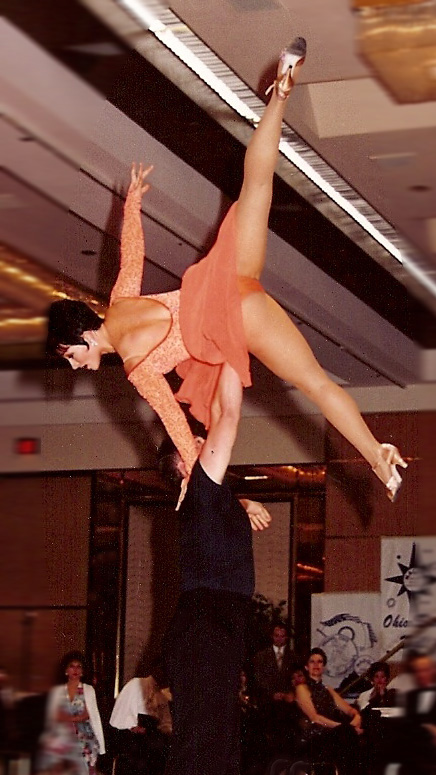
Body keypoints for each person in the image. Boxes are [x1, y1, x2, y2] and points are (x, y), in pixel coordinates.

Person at [46, 39, 406, 501]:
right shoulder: (121, 300)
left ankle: (377, 455)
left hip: (237, 318)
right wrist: (131, 202)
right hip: (228, 276)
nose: (80, 367)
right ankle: (280, 94)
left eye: (72, 356)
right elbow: (131, 251)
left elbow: (178, 428)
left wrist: (201, 491)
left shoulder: (137, 369)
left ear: (82, 336)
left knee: (315, 384)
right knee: (257, 182)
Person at [160, 361, 271, 775]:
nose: (206, 443)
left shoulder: (216, 497)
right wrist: (231, 346)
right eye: (195, 443)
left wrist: (243, 502)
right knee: (198, 758)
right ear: (184, 462)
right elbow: (229, 411)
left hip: (221, 628)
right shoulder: (199, 489)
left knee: (220, 758)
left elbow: (221, 447)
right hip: (204, 627)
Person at [295, 647, 364, 775]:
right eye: (312, 662)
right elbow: (315, 718)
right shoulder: (302, 689)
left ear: (324, 666)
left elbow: (350, 711)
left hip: (332, 736)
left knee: (356, 733)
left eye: (320, 662)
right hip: (312, 740)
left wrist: (356, 718)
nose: (316, 665)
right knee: (346, 734)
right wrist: (344, 728)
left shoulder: (328, 690)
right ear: (306, 666)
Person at [35, 652, 105, 775]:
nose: (75, 670)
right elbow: (54, 716)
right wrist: (69, 719)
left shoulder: (88, 690)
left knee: (81, 743)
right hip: (62, 731)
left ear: (83, 671)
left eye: (79, 667)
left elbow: (89, 715)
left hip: (84, 732)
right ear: (66, 670)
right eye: (72, 667)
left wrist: (69, 718)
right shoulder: (57, 691)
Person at [109, 674, 171, 775]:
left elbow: (165, 723)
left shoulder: (162, 695)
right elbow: (121, 714)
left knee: (160, 744)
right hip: (128, 733)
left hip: (151, 733)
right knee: (144, 746)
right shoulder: (135, 684)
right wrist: (132, 726)